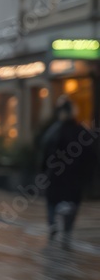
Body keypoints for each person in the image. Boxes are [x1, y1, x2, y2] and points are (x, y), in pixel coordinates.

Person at [39, 99, 95, 250]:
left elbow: (46, 152)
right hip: (75, 179)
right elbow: (91, 156)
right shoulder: (82, 132)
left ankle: (53, 226)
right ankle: (66, 232)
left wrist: (44, 170)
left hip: (57, 176)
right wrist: (88, 177)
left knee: (52, 202)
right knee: (72, 204)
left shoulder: (55, 131)